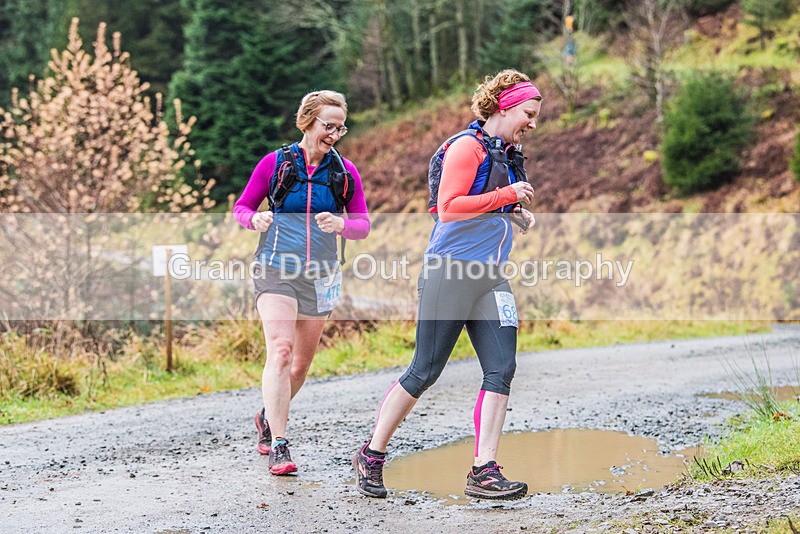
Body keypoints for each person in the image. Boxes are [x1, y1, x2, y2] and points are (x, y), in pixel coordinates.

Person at [353, 70, 540, 500]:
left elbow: (489, 204)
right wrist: (506, 197)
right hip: (449, 270)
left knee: (502, 368)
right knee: (425, 370)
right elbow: (450, 209)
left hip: (491, 276)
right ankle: (372, 453)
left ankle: (484, 470)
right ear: (504, 106)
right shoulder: (466, 148)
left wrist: (514, 213)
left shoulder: (507, 154)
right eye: (528, 114)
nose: (533, 123)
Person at [234, 90, 370, 476]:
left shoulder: (344, 172)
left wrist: (342, 224)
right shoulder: (275, 164)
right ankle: (279, 442)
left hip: (321, 274)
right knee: (280, 350)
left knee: (299, 366)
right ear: (307, 121)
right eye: (329, 126)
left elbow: (362, 223)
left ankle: (266, 415)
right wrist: (253, 220)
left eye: (340, 127)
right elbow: (242, 206)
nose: (335, 134)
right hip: (275, 267)